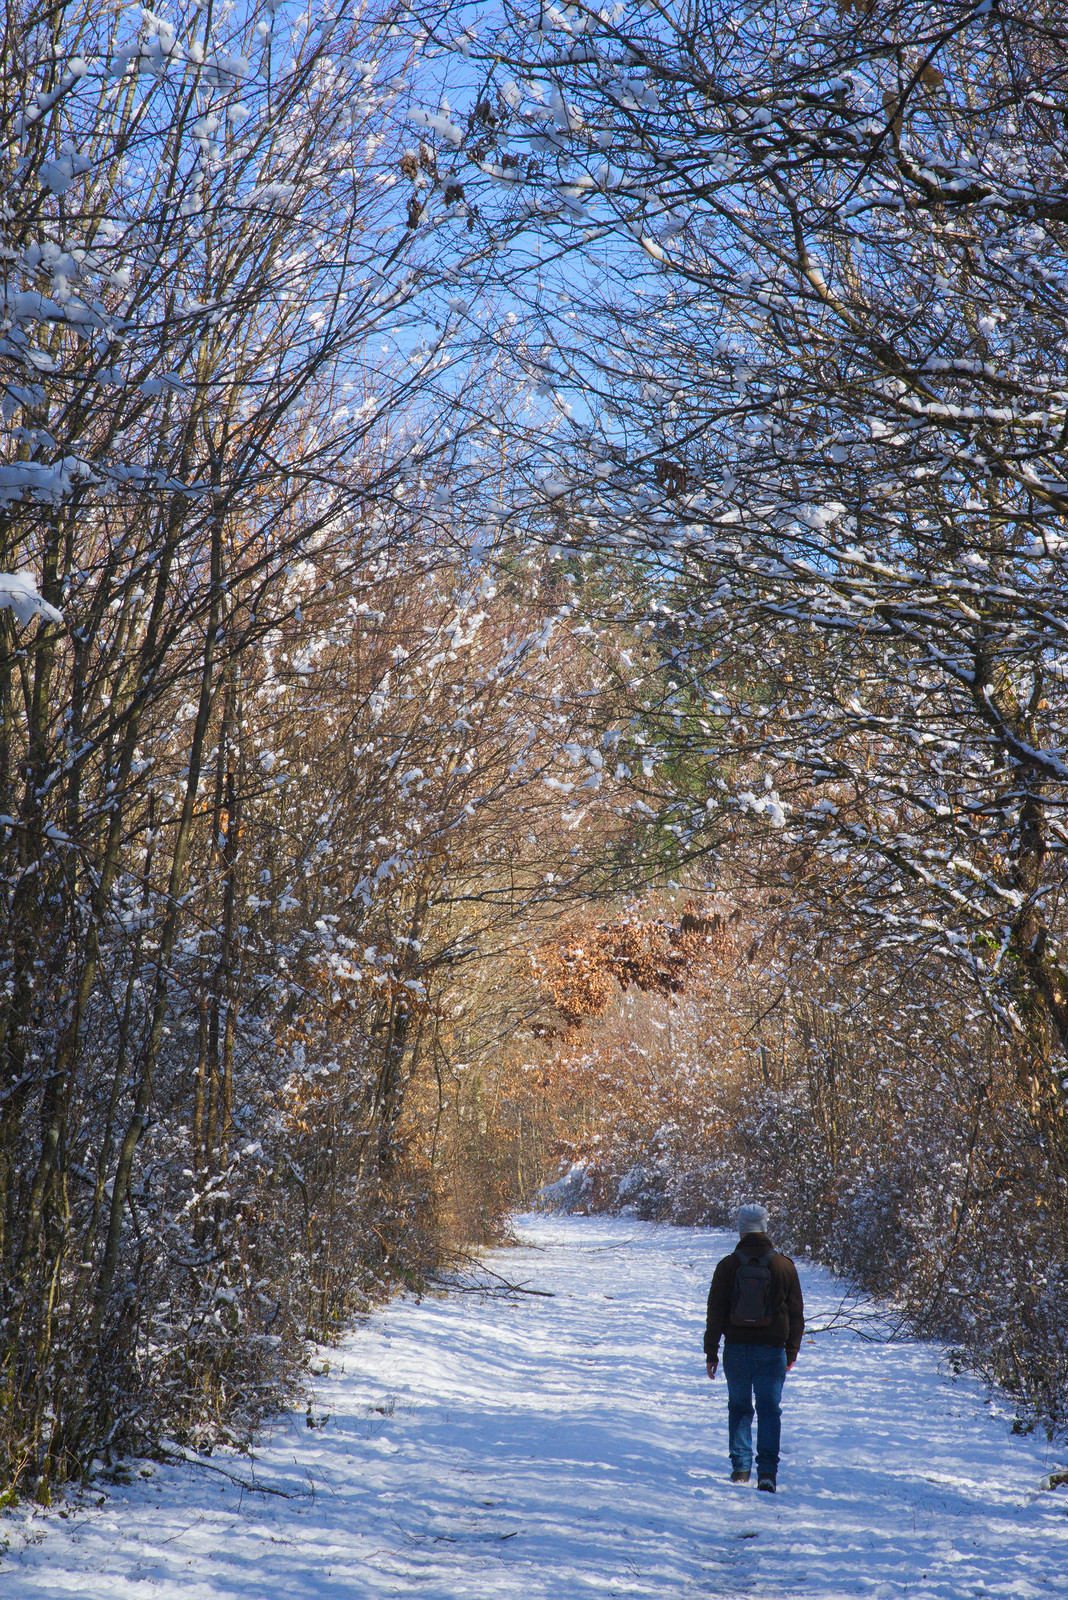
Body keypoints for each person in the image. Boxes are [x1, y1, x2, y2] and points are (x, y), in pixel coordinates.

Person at [704, 1203, 804, 1493]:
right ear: (765, 1226)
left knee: (739, 1408)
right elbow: (797, 1313)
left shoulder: (727, 1266)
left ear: (741, 1228)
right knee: (770, 1410)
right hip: (772, 1350)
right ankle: (767, 1473)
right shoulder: (784, 1266)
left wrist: (711, 1350)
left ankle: (740, 1469)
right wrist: (792, 1350)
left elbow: (715, 1311)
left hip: (735, 1349)